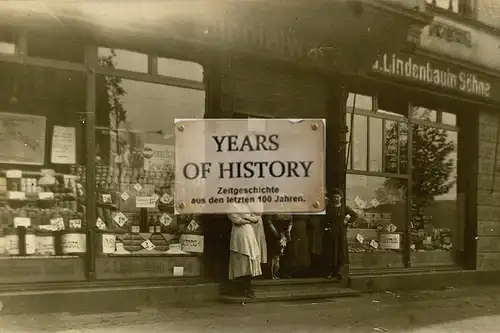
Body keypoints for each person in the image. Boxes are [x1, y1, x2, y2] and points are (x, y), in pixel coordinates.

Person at [322, 188, 358, 280]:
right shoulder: (329, 208)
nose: (336, 199)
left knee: (340, 251)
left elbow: (355, 215)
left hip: (341, 231)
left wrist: (347, 221)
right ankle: (329, 271)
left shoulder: (344, 208)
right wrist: (327, 227)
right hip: (331, 232)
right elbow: (324, 219)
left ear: (341, 197)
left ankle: (338, 271)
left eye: (338, 197)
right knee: (330, 251)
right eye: (334, 197)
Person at [227, 212, 262, 298]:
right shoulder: (231, 206)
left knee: (249, 260)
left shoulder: (247, 205)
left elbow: (256, 219)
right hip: (239, 235)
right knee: (241, 262)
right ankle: (243, 288)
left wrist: (247, 219)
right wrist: (249, 219)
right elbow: (237, 220)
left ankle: (248, 286)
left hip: (249, 234)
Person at [265, 214, 292, 279]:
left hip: (283, 234)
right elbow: (269, 221)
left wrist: (288, 231)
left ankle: (275, 274)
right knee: (273, 255)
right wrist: (275, 233)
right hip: (274, 234)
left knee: (278, 256)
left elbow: (290, 222)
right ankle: (271, 274)